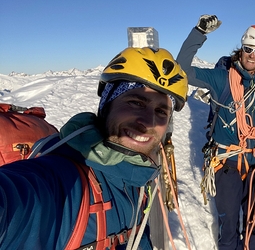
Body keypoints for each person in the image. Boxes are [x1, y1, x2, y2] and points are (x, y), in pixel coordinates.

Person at [0, 47, 188, 249]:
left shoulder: (137, 177)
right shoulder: (59, 182)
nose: (149, 122)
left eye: (160, 111)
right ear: (106, 105)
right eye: (135, 102)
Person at [177, 15, 255, 250]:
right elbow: (181, 70)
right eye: (248, 49)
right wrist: (198, 33)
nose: (252, 56)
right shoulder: (221, 79)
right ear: (241, 49)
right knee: (229, 225)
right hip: (227, 164)